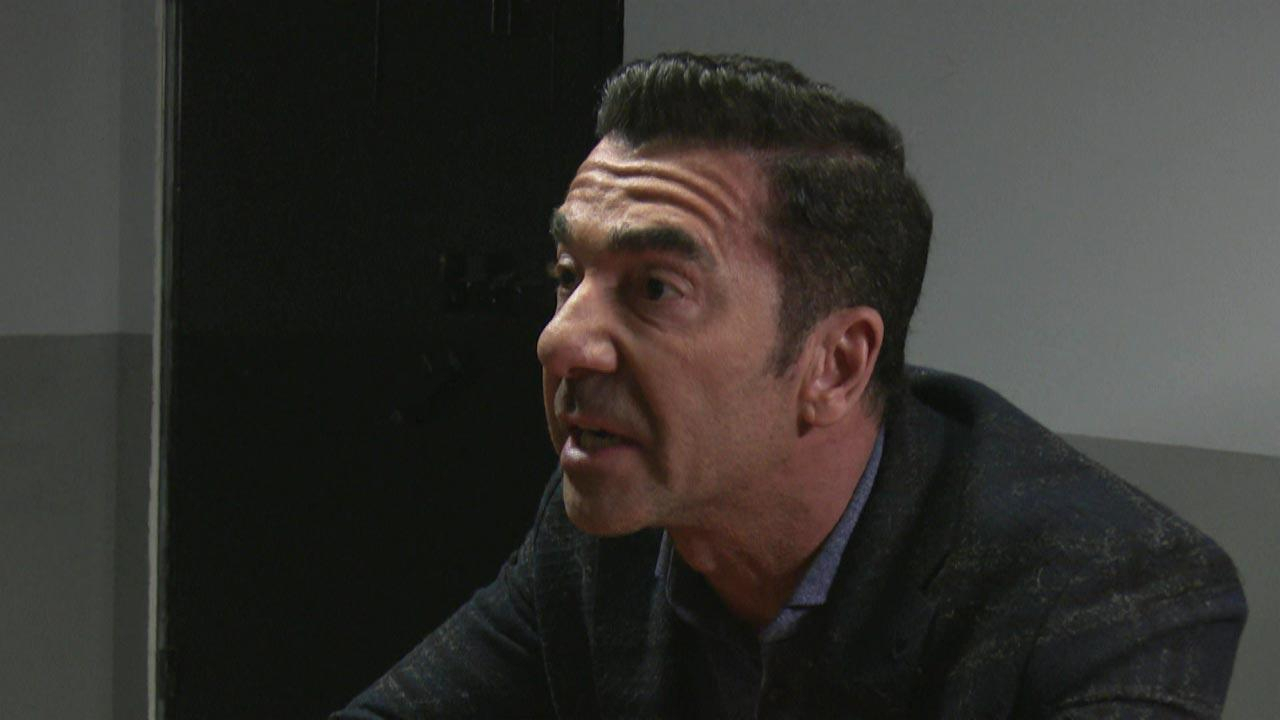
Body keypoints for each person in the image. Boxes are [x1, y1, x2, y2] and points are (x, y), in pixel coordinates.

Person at [334, 53, 1246, 719]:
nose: (561, 339)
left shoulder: (1112, 597)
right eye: (568, 276)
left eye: (654, 290)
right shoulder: (609, 536)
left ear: (835, 365)